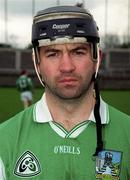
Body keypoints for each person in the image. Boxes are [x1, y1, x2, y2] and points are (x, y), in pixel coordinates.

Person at [0, 5, 130, 180]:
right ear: (37, 62)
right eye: (53, 54)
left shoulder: (127, 134)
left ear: (97, 58)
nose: (67, 67)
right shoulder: (4, 139)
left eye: (78, 52)